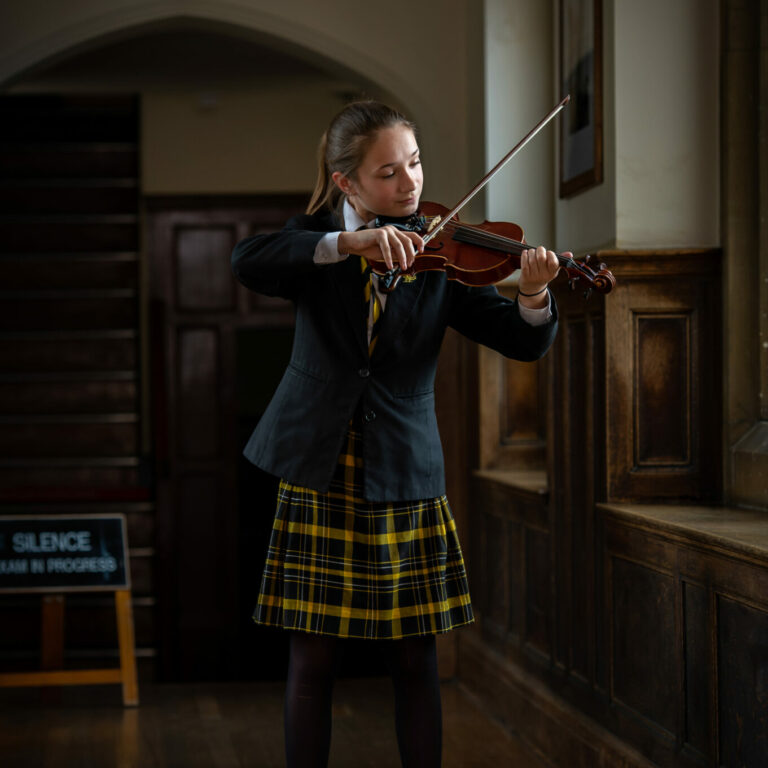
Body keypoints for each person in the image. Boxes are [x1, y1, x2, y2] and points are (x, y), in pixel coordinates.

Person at [231, 100, 562, 768]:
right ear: (347, 182)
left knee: (415, 655)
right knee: (312, 654)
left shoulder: (443, 248)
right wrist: (347, 243)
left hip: (404, 466)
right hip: (318, 462)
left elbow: (517, 342)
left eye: (413, 163)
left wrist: (532, 296)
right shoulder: (314, 241)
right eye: (388, 172)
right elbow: (249, 259)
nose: (409, 183)